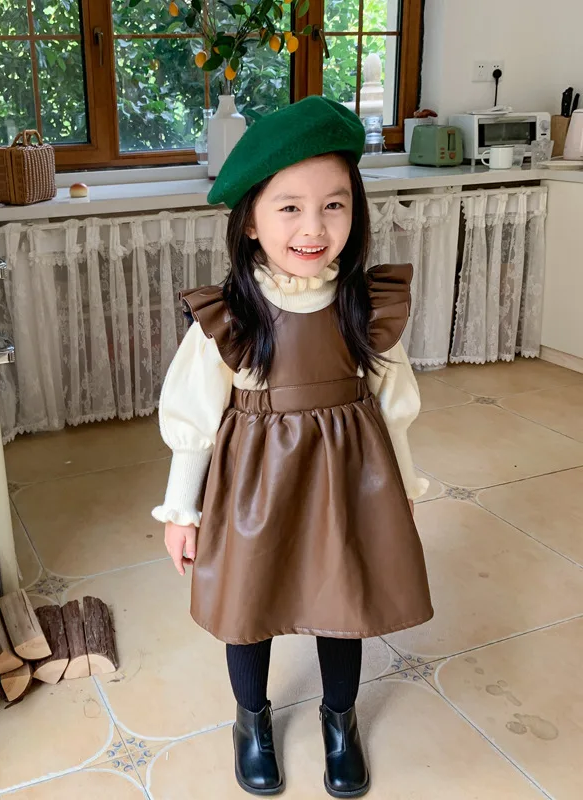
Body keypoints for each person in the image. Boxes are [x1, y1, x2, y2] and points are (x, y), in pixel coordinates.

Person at [152, 95, 433, 798]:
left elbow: (395, 408)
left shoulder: (366, 307)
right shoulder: (231, 317)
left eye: (334, 205)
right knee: (249, 603)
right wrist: (182, 512)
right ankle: (251, 720)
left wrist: (404, 487)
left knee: (344, 598)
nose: (314, 227)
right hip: (254, 487)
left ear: (355, 211)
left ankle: (341, 720)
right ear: (250, 219)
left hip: (349, 481)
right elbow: (194, 417)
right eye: (290, 207)